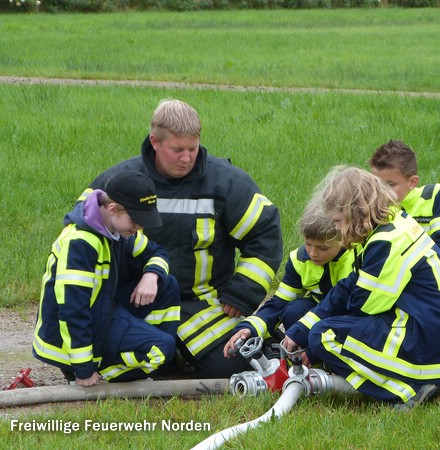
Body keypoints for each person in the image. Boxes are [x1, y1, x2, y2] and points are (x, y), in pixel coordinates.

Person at [80, 99, 283, 378]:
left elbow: (264, 235)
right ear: (155, 141)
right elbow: (81, 224)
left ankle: (266, 338)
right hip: (138, 300)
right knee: (119, 362)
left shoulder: (225, 183)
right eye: (177, 150)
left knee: (227, 365)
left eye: (192, 148)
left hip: (205, 305)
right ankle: (172, 356)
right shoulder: (122, 181)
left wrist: (243, 292)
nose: (186, 158)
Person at [282, 166, 440, 410]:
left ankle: (408, 389)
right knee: (319, 330)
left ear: (354, 212)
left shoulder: (384, 242)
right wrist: (300, 329)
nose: (337, 230)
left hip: (425, 341)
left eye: (338, 221)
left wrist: (312, 338)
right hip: (432, 337)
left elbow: (364, 305)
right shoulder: (391, 224)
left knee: (324, 336)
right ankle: (425, 382)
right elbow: (349, 286)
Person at [33, 171, 180, 386]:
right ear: (112, 209)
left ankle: (157, 362)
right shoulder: (80, 244)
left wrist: (151, 275)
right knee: (161, 348)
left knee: (167, 284)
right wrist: (83, 369)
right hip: (71, 337)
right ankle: (103, 369)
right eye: (136, 220)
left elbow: (157, 252)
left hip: (103, 309)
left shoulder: (118, 229)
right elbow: (73, 310)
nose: (140, 227)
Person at [223, 200, 355, 357]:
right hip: (319, 317)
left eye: (322, 248)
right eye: (308, 244)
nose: (313, 253)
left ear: (343, 239)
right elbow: (279, 303)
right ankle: (302, 360)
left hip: (349, 318)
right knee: (294, 310)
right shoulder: (299, 259)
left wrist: (314, 351)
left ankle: (321, 359)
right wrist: (250, 328)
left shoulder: (355, 260)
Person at [368, 140, 440, 301]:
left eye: (390, 184)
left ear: (412, 182)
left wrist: (406, 273)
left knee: (399, 292)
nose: (382, 192)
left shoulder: (434, 196)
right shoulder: (373, 207)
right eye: (376, 184)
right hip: (397, 277)